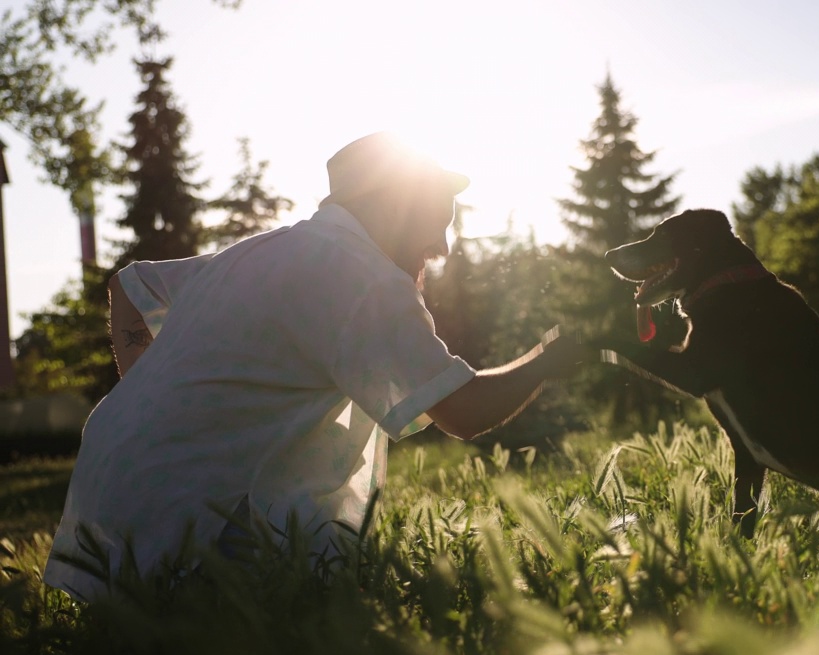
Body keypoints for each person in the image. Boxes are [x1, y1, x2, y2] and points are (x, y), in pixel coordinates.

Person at [43, 132, 591, 602]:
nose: (441, 247)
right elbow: (463, 412)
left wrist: (148, 397)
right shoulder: (365, 279)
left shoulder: (259, 253)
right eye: (432, 225)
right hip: (192, 517)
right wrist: (548, 359)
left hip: (107, 501)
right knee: (322, 606)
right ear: (388, 205)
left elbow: (128, 287)